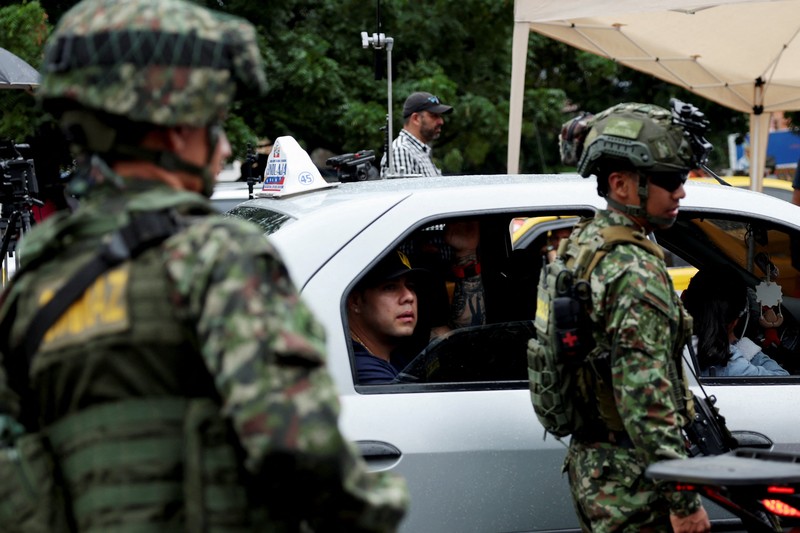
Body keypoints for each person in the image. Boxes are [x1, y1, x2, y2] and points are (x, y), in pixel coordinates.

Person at [0, 0, 408, 531]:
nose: (219, 149)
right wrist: (382, 504)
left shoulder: (38, 278)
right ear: (170, 132)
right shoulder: (217, 260)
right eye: (210, 124)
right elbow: (305, 459)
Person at [558, 103, 711, 532]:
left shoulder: (584, 244)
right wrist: (683, 502)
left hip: (597, 469)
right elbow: (645, 399)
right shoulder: (632, 269)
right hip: (634, 482)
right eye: (670, 180)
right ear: (621, 185)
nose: (681, 191)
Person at [347, 221, 485, 384]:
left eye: (410, 286)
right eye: (390, 287)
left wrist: (466, 254)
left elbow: (465, 341)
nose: (409, 297)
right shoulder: (367, 373)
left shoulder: (390, 347)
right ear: (356, 301)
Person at [682, 267, 789, 377]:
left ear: (683, 298)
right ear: (735, 321)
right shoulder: (732, 366)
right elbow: (782, 379)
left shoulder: (669, 346)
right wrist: (744, 346)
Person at [380, 91, 452, 178]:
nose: (441, 121)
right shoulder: (401, 151)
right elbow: (405, 191)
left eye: (440, 116)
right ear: (416, 118)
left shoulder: (419, 150)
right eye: (434, 116)